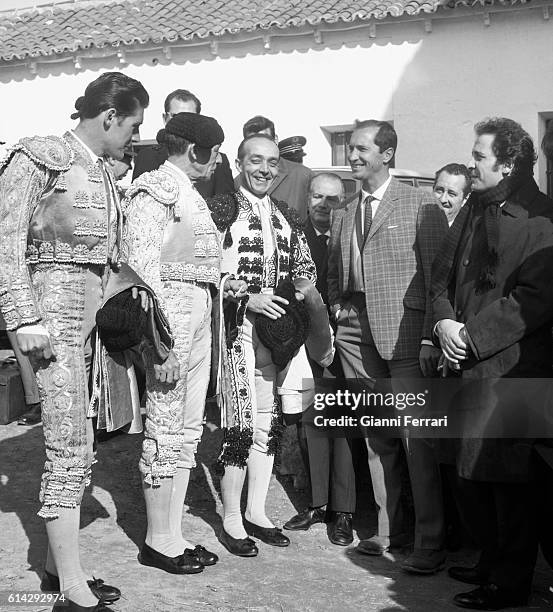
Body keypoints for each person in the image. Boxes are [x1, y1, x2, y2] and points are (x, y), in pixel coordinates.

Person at [0, 71, 149, 612]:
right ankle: (70, 586)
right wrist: (23, 317)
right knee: (68, 446)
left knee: (81, 440)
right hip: (51, 316)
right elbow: (4, 239)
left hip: (88, 315)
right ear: (109, 117)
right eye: (132, 126)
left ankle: (52, 568)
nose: (133, 136)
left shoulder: (98, 170)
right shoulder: (40, 155)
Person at [432, 117, 553, 610]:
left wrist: (471, 339)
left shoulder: (542, 219)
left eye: (479, 156)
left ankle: (510, 583)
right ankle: (489, 561)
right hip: (465, 361)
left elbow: (535, 297)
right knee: (472, 477)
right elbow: (443, 273)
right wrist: (442, 324)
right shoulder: (477, 207)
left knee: (511, 486)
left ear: (506, 163)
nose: (471, 163)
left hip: (514, 373)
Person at [123, 111, 246, 575]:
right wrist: (160, 344)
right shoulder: (154, 189)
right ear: (197, 150)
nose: (217, 163)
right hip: (170, 327)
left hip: (199, 319)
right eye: (214, 153)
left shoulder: (187, 194)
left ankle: (171, 533)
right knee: (165, 424)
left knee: (187, 427)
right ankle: (158, 539)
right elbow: (139, 270)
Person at [328, 120, 448, 574]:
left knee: (418, 440)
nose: (353, 156)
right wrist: (341, 311)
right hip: (356, 335)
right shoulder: (345, 209)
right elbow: (338, 273)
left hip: (404, 334)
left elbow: (438, 275)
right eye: (351, 149)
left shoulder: (420, 204)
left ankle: (430, 543)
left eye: (361, 149)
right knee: (379, 440)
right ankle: (388, 531)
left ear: (387, 154)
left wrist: (426, 335)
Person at [208, 133, 317, 557]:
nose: (265, 170)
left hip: (276, 337)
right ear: (239, 162)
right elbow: (197, 269)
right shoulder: (220, 209)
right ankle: (232, 518)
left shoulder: (286, 215)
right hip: (235, 331)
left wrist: (302, 301)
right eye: (256, 161)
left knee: (266, 422)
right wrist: (243, 294)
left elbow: (305, 270)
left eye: (273, 163)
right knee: (238, 423)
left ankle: (256, 511)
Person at [283, 173, 357, 546]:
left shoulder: (349, 234)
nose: (323, 204)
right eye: (317, 196)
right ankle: (317, 504)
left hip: (344, 341)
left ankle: (342, 512)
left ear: (342, 201)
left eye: (332, 198)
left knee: (341, 421)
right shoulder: (294, 235)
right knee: (310, 421)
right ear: (308, 197)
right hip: (303, 342)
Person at [132, 88, 234, 198]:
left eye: (190, 117)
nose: (183, 123)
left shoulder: (216, 161)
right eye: (176, 117)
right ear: (165, 118)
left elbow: (227, 205)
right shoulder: (147, 157)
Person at [235, 116, 313, 221]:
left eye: (266, 139)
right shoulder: (237, 182)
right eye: (254, 140)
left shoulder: (303, 176)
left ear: (276, 140)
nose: (261, 146)